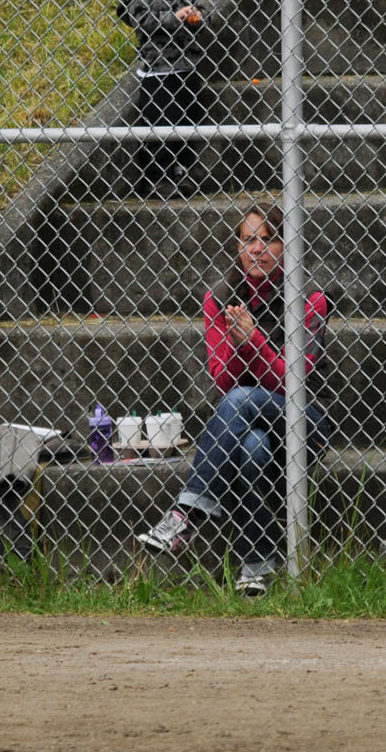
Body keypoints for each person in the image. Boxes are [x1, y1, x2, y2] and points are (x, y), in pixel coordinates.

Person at [135, 204, 334, 596]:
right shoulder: (220, 299)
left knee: (244, 399)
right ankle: (256, 567)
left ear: (287, 246)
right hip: (245, 425)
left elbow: (292, 384)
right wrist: (239, 344)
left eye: (268, 239)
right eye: (248, 240)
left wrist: (254, 341)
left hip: (305, 421)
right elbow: (223, 382)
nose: (257, 249)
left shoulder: (310, 299)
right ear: (238, 246)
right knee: (252, 446)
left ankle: (186, 512)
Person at [117, 0, 208, 195]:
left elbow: (202, 10)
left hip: (186, 66)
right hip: (158, 70)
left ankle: (181, 170)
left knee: (189, 118)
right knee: (162, 121)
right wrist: (173, 17)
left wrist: (197, 16)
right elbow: (139, 19)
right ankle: (158, 177)